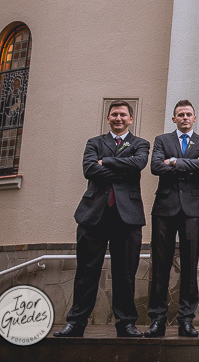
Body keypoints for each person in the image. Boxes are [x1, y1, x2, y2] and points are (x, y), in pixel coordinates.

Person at [54, 101, 150, 338]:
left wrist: (105, 162)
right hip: (93, 214)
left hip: (127, 216)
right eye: (114, 115)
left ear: (131, 119)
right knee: (87, 270)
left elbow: (138, 164)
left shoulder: (141, 144)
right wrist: (121, 168)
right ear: (108, 118)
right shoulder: (94, 143)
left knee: (125, 272)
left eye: (123, 115)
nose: (119, 118)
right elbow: (89, 169)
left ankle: (126, 323)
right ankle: (76, 323)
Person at [144, 100, 199, 338]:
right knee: (160, 264)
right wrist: (188, 165)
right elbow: (155, 167)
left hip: (193, 208)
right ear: (174, 119)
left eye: (188, 114)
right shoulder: (162, 140)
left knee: (190, 264)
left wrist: (172, 161)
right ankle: (157, 319)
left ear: (194, 118)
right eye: (180, 115)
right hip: (164, 207)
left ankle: (186, 319)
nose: (184, 117)